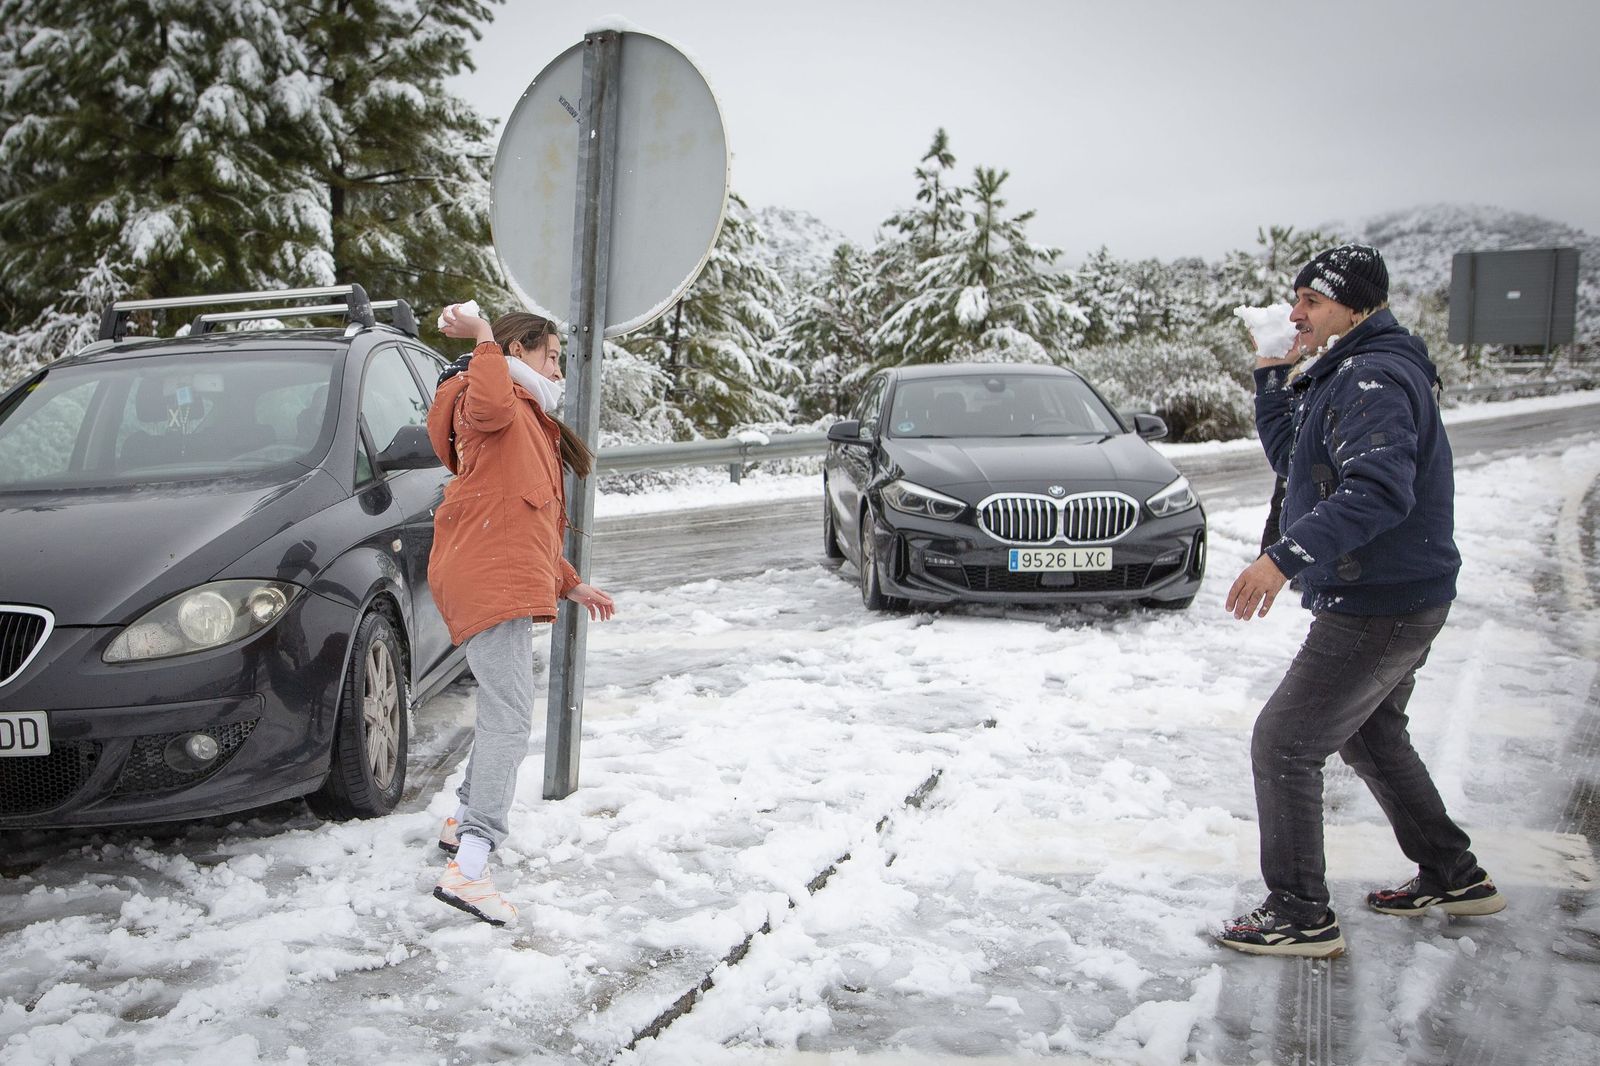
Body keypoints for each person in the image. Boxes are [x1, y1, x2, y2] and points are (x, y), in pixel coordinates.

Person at [1216, 244, 1504, 958]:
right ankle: (1453, 873)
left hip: (1379, 603)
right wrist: (1271, 377)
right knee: (1372, 737)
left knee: (1284, 744)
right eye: (1296, 299)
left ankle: (1300, 913)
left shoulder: (1373, 375)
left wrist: (1282, 559)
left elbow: (1377, 491)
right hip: (1399, 593)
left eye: (1311, 300)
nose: (1296, 312)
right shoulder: (1351, 368)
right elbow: (1298, 462)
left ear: (1355, 305)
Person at [425, 305, 615, 927]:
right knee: (509, 717)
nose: (558, 368)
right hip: (485, 579)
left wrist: (570, 582)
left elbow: (522, 519)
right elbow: (487, 408)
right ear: (519, 350)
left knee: (503, 711)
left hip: (491, 570)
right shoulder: (491, 399)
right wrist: (484, 340)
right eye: (551, 355)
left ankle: (461, 826)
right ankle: (472, 863)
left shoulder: (525, 414)